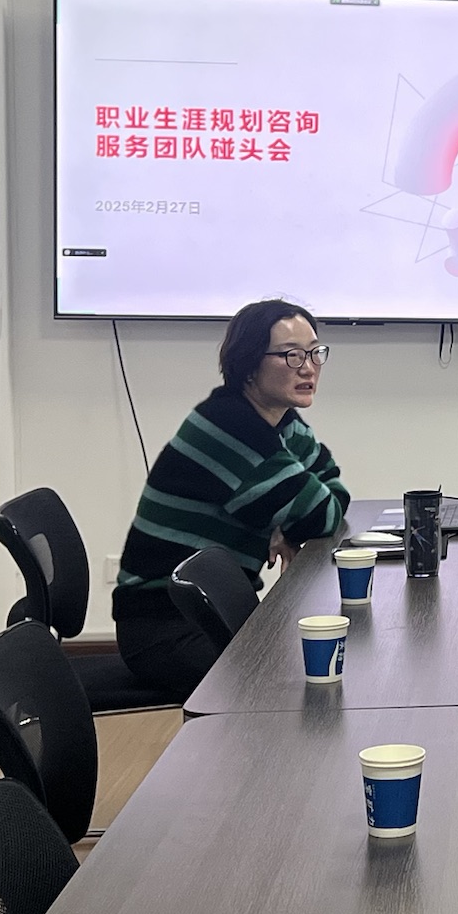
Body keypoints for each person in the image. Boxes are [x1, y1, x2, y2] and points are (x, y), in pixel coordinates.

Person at [111, 299, 350, 706]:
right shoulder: (230, 427)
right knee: (304, 679)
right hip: (166, 629)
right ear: (249, 364)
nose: (308, 368)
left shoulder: (280, 421)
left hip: (212, 615)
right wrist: (291, 520)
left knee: (322, 662)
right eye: (291, 355)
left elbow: (335, 490)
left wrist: (286, 522)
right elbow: (320, 516)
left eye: (315, 353)